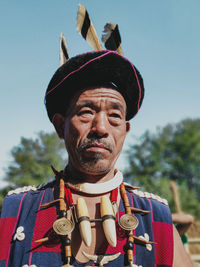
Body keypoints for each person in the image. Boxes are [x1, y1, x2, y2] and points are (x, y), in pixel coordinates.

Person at [0, 50, 192, 267]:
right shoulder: (17, 211)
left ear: (125, 130)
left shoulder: (155, 216)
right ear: (60, 126)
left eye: (114, 116)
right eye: (86, 112)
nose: (101, 128)